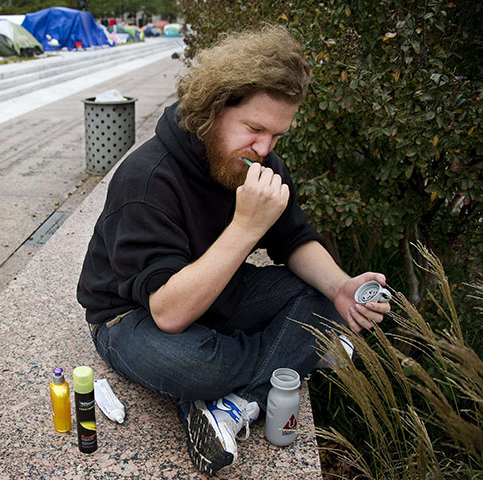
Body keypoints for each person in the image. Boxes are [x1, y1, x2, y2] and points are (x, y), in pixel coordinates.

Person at [76, 24, 391, 475]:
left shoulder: (257, 161)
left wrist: (342, 287)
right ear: (213, 109)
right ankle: (265, 376)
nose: (264, 149)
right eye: (255, 129)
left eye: (277, 136)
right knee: (200, 367)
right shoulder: (147, 179)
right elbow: (168, 312)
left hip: (219, 292)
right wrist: (245, 227)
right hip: (132, 314)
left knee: (326, 299)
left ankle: (233, 404)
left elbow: (295, 239)